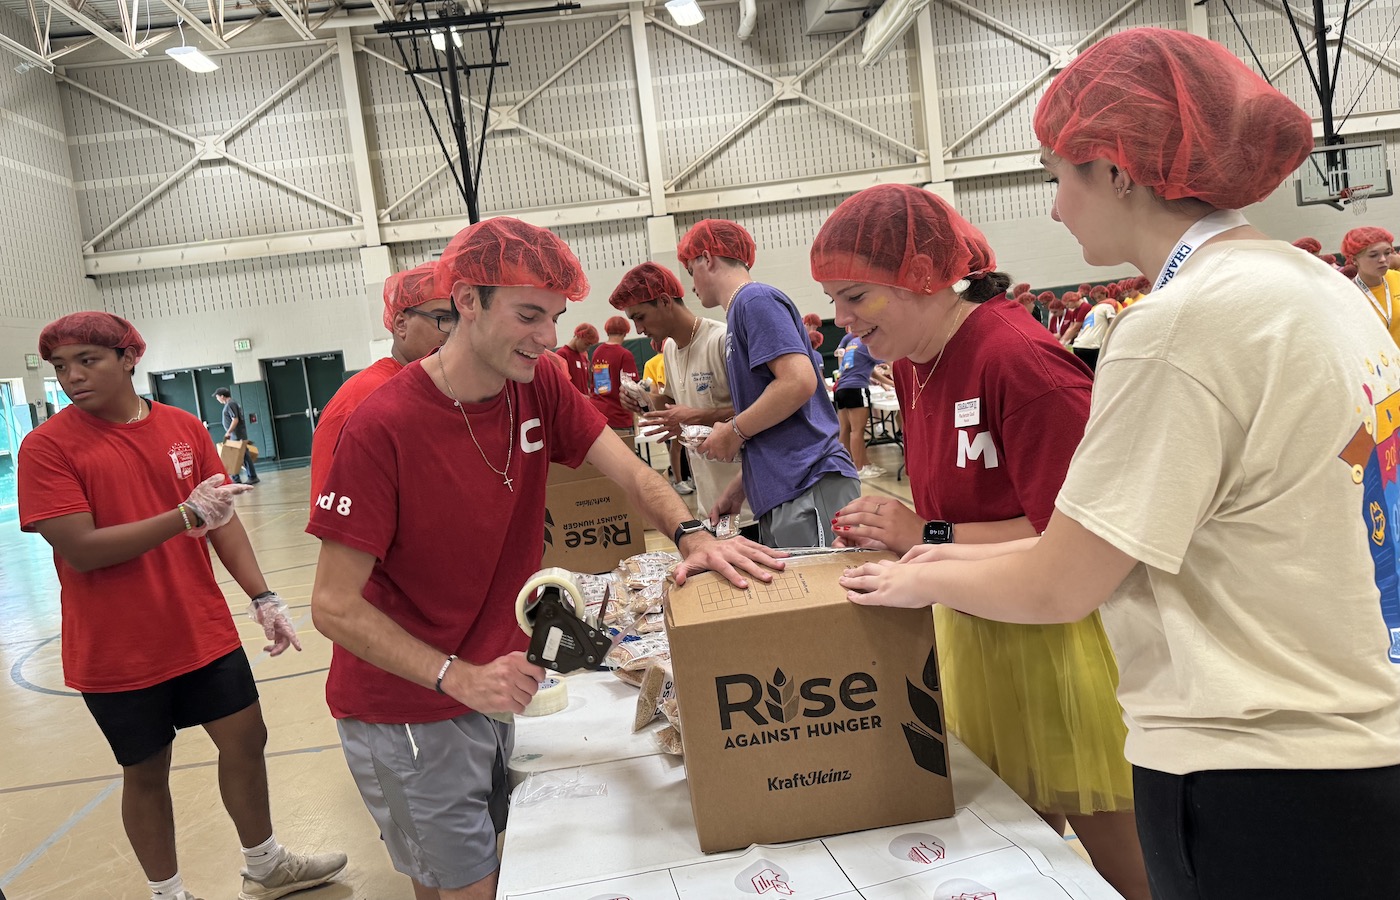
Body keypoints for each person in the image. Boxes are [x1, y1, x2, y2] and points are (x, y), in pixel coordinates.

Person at [839, 28, 1400, 899]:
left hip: (1248, 761)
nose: (1055, 208)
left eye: (1058, 176)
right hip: (1354, 733)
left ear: (1119, 168)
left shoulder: (1179, 324)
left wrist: (922, 576)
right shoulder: (1317, 288)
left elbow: (1065, 583)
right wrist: (938, 550)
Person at [307, 218, 784, 900]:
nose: (549, 337)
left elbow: (631, 475)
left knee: (476, 869)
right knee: (462, 884)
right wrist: (455, 676)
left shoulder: (539, 385)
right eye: (529, 315)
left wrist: (691, 535)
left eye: (557, 317)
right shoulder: (381, 425)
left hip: (491, 683)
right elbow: (332, 604)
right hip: (409, 702)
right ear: (466, 301)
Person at [815, 184, 1148, 899]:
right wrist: (903, 536)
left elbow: (1080, 530)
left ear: (924, 278)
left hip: (1061, 638)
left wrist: (926, 534)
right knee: (1015, 839)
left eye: (856, 298)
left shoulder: (1017, 359)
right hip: (978, 628)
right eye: (834, 302)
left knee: (1121, 857)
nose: (841, 323)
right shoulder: (910, 362)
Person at [18, 312, 347, 900]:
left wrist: (263, 594)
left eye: (86, 361)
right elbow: (83, 549)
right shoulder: (46, 448)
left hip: (200, 629)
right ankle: (168, 894)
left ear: (127, 358)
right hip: (116, 649)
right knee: (146, 773)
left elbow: (221, 522)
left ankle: (266, 866)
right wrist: (183, 516)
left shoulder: (183, 428)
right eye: (60, 367)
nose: (71, 377)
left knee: (247, 739)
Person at [680, 219, 859, 548]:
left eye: (691, 270)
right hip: (784, 490)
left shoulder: (754, 300)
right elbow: (775, 423)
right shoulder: (738, 313)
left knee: (825, 595)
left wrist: (734, 430)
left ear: (707, 258)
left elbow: (798, 381)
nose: (691, 284)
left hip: (808, 482)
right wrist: (741, 487)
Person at [609, 261, 752, 528]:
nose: (638, 330)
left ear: (664, 301)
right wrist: (643, 400)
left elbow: (758, 410)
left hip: (748, 507)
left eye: (640, 317)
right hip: (709, 505)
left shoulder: (720, 340)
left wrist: (698, 416)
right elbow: (673, 403)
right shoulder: (671, 350)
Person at [309, 261, 454, 504]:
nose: (454, 332)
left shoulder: (448, 391)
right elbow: (333, 516)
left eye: (461, 321)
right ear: (401, 324)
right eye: (443, 318)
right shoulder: (361, 399)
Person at [640, 336, 693, 495]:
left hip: (668, 408)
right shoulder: (671, 358)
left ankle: (679, 480)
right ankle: (689, 478)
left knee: (675, 447)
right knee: (687, 445)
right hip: (684, 405)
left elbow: (653, 390)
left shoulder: (652, 363)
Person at [832, 330, 884, 479]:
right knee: (857, 431)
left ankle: (854, 465)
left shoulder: (851, 344)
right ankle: (859, 467)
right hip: (856, 388)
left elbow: (869, 370)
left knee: (845, 430)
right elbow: (886, 363)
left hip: (841, 388)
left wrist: (888, 384)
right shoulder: (867, 344)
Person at [1342, 226, 1400, 348]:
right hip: (1378, 363)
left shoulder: (1397, 278)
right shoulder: (1347, 294)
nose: (1383, 259)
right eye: (1373, 255)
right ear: (1354, 260)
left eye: (1387, 253)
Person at [589, 315, 640, 433]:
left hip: (598, 414)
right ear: (625, 332)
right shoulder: (624, 355)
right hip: (618, 417)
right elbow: (631, 388)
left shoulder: (597, 352)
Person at [213, 387, 258, 485]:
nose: (217, 399)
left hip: (236, 435)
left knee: (236, 456)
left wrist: (229, 432)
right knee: (241, 456)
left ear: (222, 396)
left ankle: (245, 477)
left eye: (217, 397)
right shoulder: (231, 404)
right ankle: (240, 477)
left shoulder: (230, 404)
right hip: (236, 434)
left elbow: (235, 419)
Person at [1070, 287, 1120, 371]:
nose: (1097, 300)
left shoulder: (1092, 310)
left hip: (1078, 345)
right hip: (1092, 346)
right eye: (1095, 298)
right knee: (1099, 373)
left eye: (1099, 297)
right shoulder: (1108, 306)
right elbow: (1114, 324)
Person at [556, 322, 597, 395]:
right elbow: (562, 384)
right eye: (586, 344)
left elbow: (583, 385)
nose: (587, 348)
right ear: (578, 336)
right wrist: (580, 396)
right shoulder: (562, 355)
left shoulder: (583, 357)